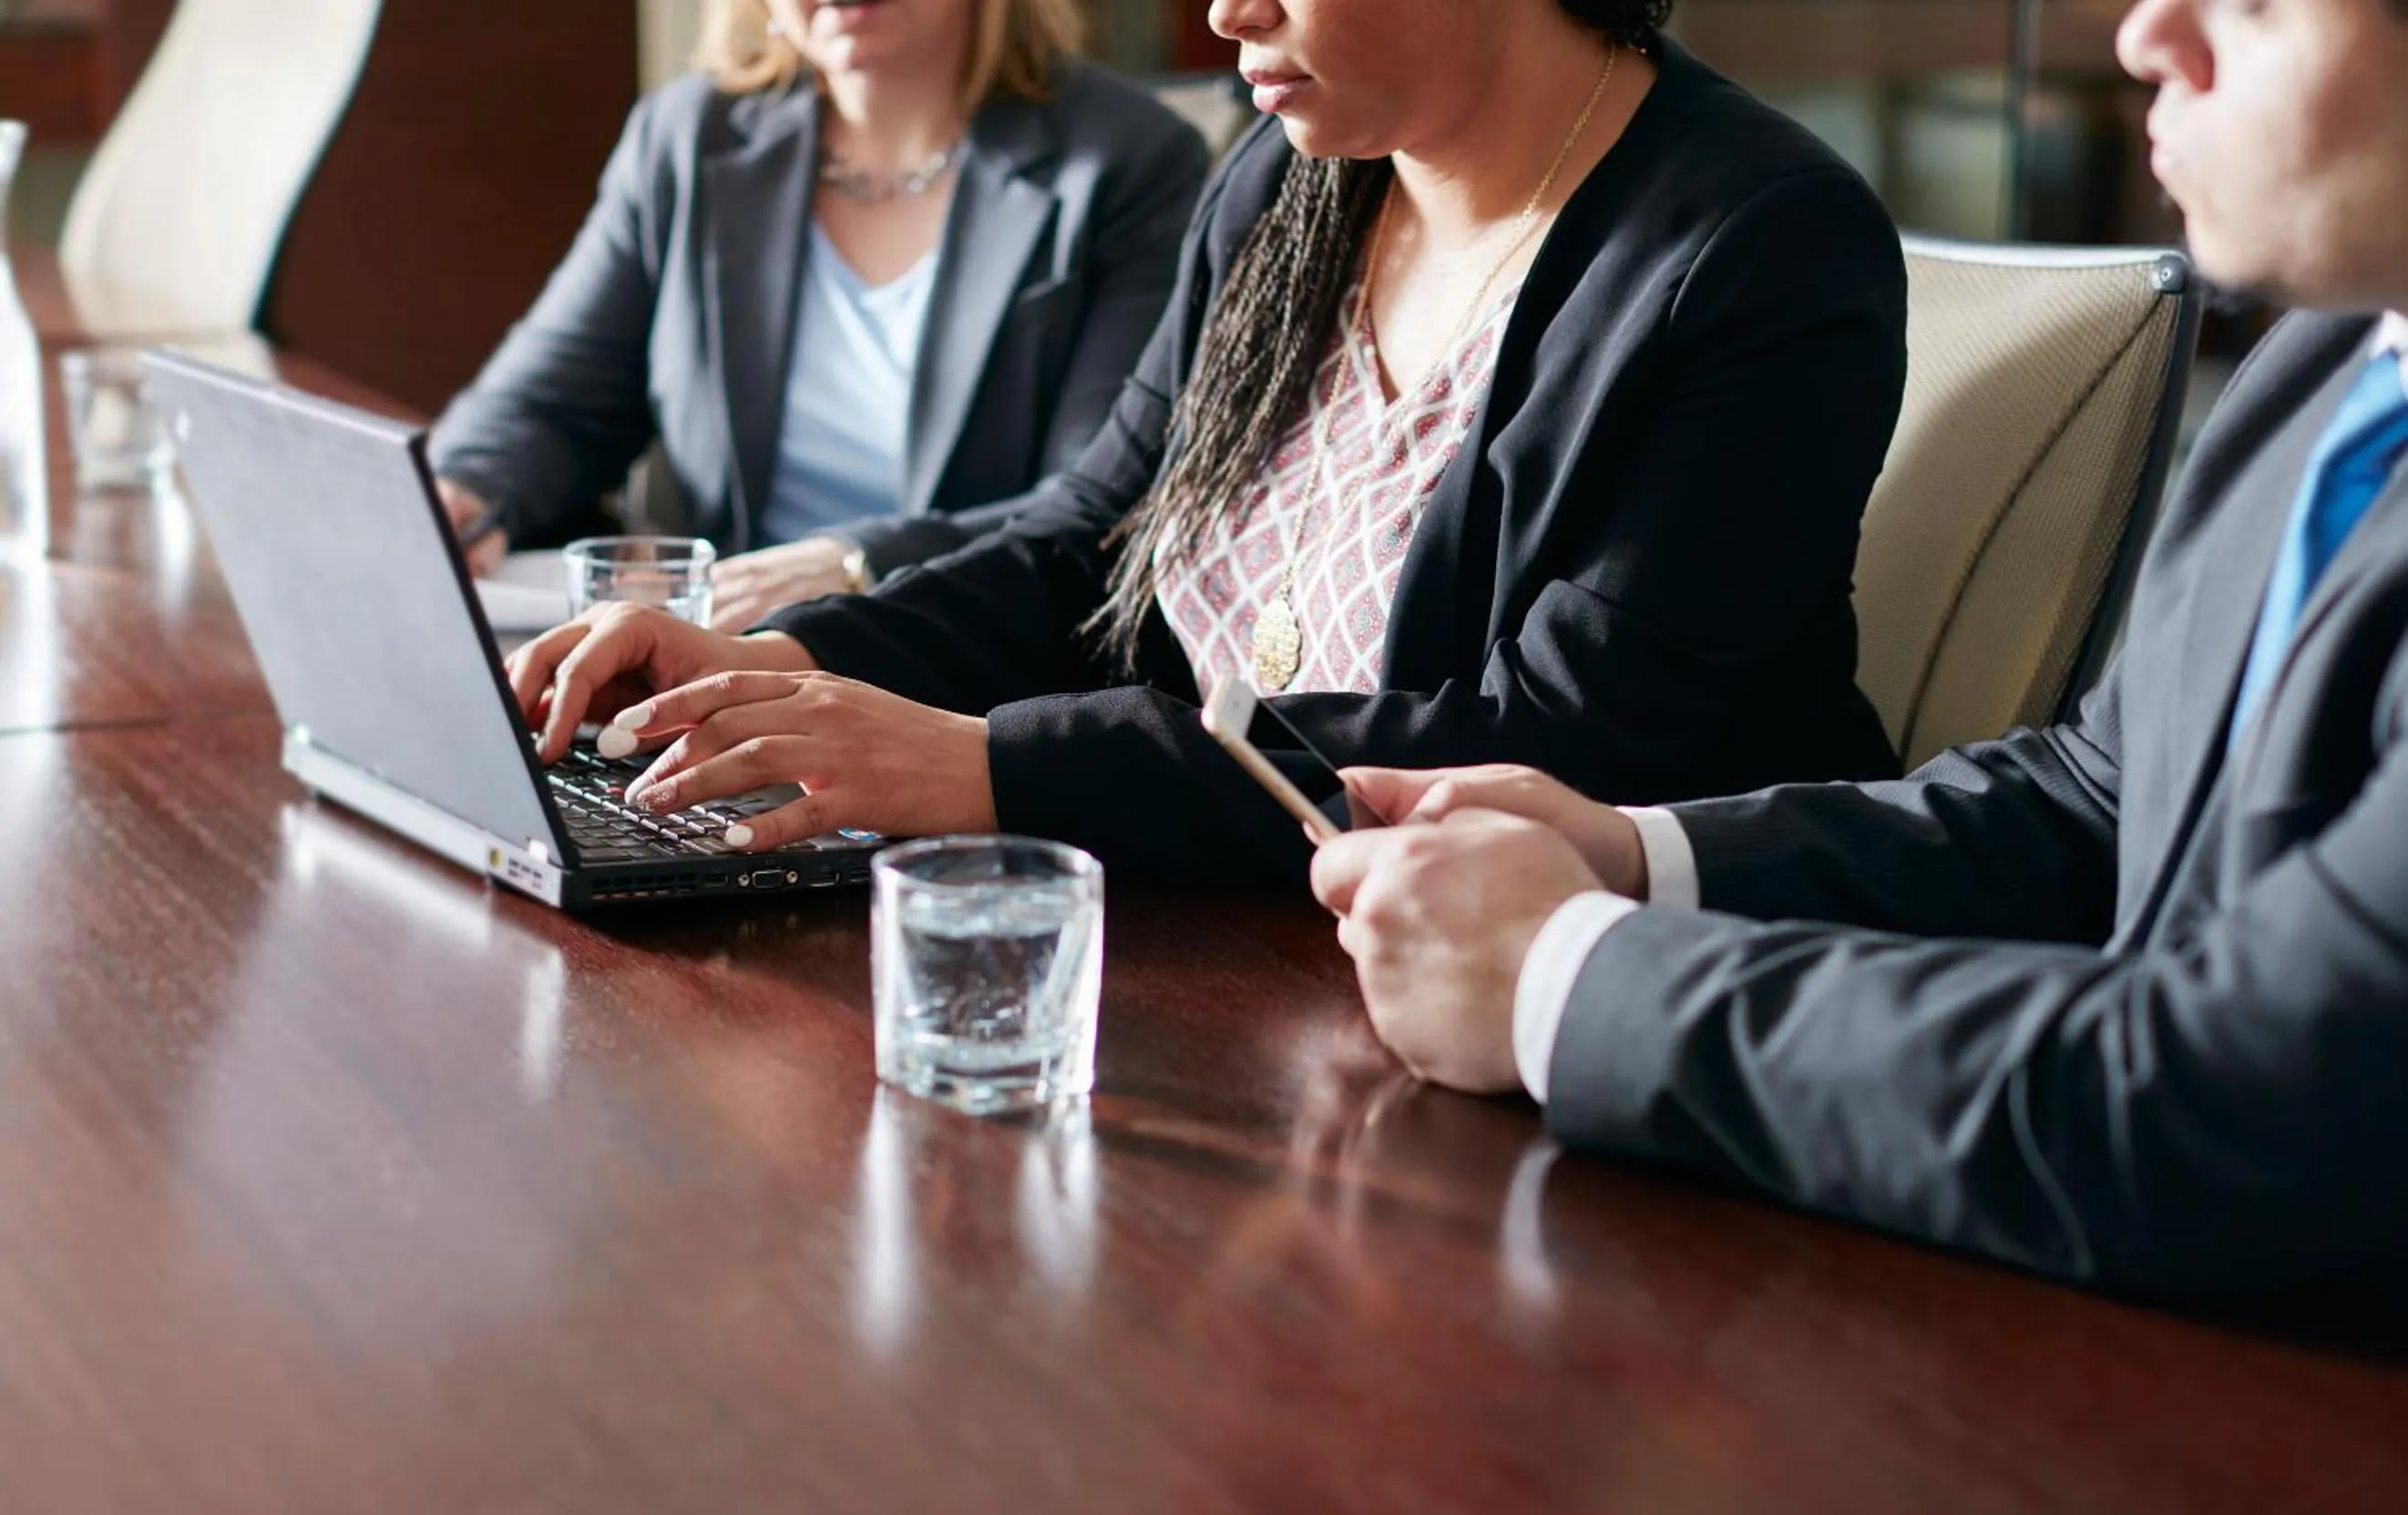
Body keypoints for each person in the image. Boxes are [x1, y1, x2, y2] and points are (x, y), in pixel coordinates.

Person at [1309, 0, 2408, 1296]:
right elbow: (2097, 803)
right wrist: (1637, 856)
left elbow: (2237, 1106)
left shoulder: (1750, 227)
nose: (2145, 36)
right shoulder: (2333, 357)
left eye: (2256, 3)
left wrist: (1566, 979)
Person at [507, 0, 1911, 879]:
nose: (1227, 14)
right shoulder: (1289, 185)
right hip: (1236, 918)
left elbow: (1560, 743)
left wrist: (989, 765)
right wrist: (786, 660)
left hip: (1578, 985)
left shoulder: (1759, 244)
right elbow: (1088, 548)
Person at [428, 0, 1209, 631]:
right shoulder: (688, 137)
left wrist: (853, 562)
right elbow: (551, 402)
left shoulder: (1132, 160)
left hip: (959, 666)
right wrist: (465, 490)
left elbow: (1097, 502)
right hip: (713, 654)